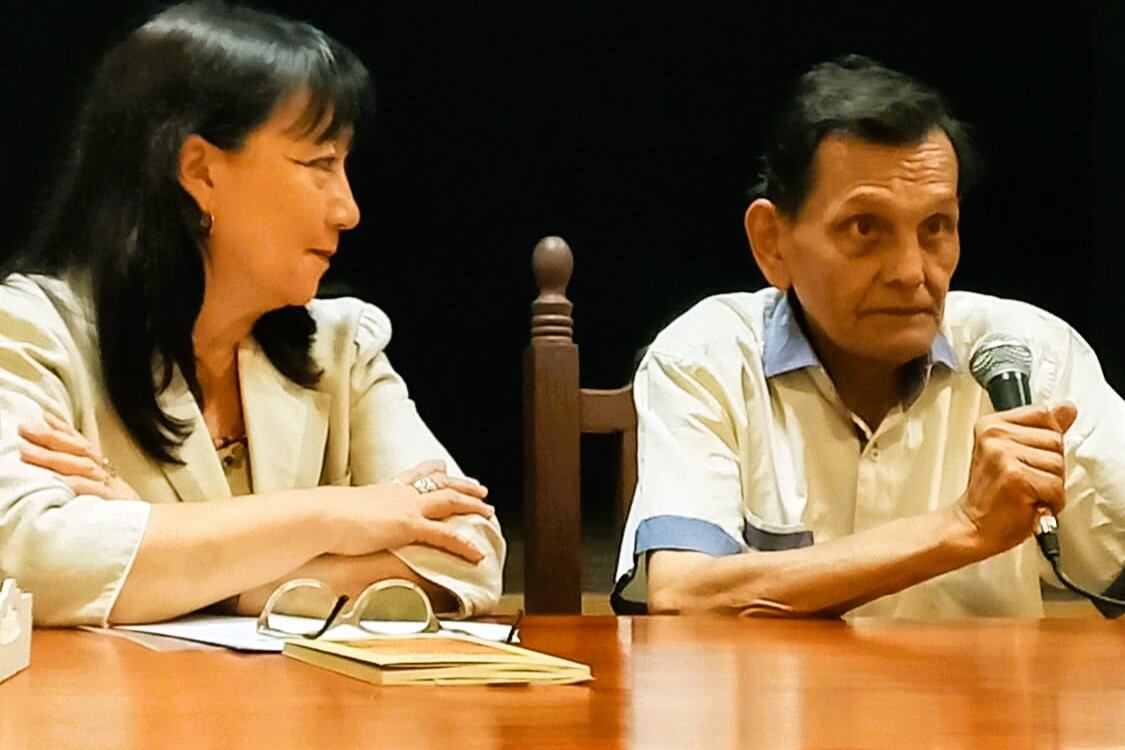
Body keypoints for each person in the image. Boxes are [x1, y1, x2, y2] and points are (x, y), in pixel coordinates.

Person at [0, 1, 504, 626]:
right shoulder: (33, 334)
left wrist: (177, 563)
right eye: (320, 165)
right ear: (199, 172)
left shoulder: (342, 346)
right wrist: (337, 515)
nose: (348, 210)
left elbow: (469, 551)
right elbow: (27, 558)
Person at [613, 55, 1125, 618]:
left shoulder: (1030, 357)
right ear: (771, 242)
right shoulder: (707, 356)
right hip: (770, 709)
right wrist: (964, 526)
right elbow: (684, 595)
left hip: (982, 707)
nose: (911, 270)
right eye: (865, 228)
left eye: (936, 227)